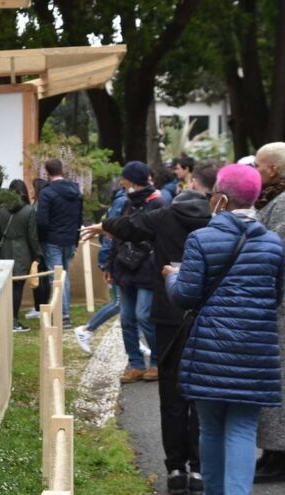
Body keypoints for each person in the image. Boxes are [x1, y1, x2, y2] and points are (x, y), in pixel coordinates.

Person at [82, 163, 217, 494]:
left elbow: (128, 227)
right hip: (206, 315)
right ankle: (200, 469)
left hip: (169, 313)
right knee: (201, 393)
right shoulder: (217, 223)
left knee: (170, 392)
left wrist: (101, 227)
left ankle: (175, 469)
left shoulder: (163, 216)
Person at [164, 164, 284, 495]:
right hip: (257, 348)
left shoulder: (202, 239)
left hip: (211, 347)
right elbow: (275, 296)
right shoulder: (273, 243)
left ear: (222, 198)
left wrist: (170, 277)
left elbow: (185, 295)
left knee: (211, 427)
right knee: (244, 428)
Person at [104, 161, 166, 383]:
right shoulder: (127, 203)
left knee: (144, 314)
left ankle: (159, 361)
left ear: (133, 181)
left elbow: (160, 238)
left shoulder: (158, 203)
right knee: (127, 318)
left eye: (125, 179)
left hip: (148, 268)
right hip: (124, 266)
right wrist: (109, 265)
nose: (122, 183)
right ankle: (136, 363)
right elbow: (118, 235)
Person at [254, 142, 285, 484]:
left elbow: (274, 250)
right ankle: (273, 453)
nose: (256, 172)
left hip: (281, 305)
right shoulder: (273, 199)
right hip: (275, 304)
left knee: (280, 381)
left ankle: (279, 454)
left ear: (273, 170)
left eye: (260, 166)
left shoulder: (283, 203)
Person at [73, 186, 126, 352]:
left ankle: (137, 341)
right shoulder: (123, 201)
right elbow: (111, 233)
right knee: (119, 302)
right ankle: (87, 329)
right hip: (118, 258)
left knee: (127, 303)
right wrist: (107, 263)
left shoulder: (124, 200)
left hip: (122, 258)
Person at [36, 159, 83, 328]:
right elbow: (79, 218)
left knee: (55, 277)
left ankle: (62, 315)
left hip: (53, 239)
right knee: (65, 276)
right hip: (69, 238)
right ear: (62, 170)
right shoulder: (75, 190)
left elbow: (41, 221)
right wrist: (76, 240)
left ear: (47, 173)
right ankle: (65, 314)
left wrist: (41, 240)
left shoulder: (46, 193)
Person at [0, 179, 43, 332]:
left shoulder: (1, 209)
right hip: (22, 252)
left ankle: (4, 318)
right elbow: (33, 236)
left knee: (5, 287)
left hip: (4, 250)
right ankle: (13, 320)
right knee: (17, 287)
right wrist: (37, 255)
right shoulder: (29, 210)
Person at [25, 178, 51, 319]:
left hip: (39, 243)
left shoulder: (38, 205)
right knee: (42, 275)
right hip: (41, 243)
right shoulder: (37, 203)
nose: (30, 191)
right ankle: (40, 306)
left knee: (40, 275)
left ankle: (40, 307)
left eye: (33, 188)